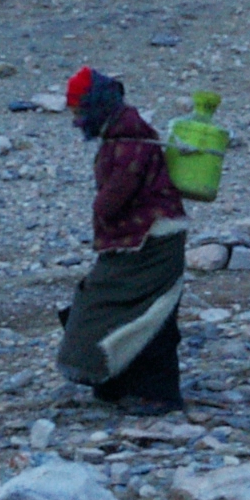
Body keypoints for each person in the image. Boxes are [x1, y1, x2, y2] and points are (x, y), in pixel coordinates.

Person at [55, 66, 188, 413]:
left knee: (144, 316)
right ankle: (116, 384)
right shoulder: (123, 136)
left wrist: (99, 211)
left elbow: (113, 201)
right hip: (139, 240)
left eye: (79, 111)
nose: (76, 120)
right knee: (126, 310)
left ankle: (155, 394)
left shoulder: (130, 144)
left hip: (151, 243)